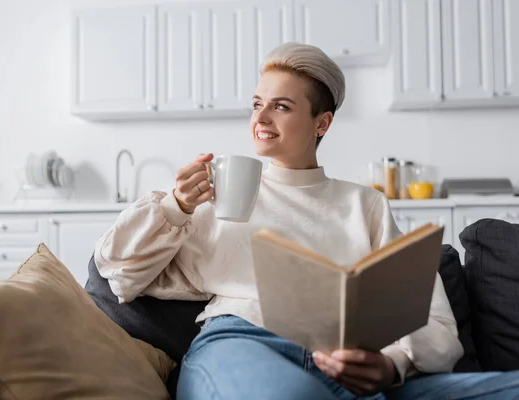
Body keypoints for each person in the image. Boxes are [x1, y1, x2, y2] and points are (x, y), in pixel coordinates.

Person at [94, 42, 519, 399]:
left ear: (322, 122)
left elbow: (434, 319)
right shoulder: (214, 193)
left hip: (346, 364)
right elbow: (117, 270)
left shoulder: (364, 204)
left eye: (280, 106)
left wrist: (392, 365)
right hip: (243, 342)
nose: (260, 119)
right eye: (257, 104)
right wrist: (175, 207)